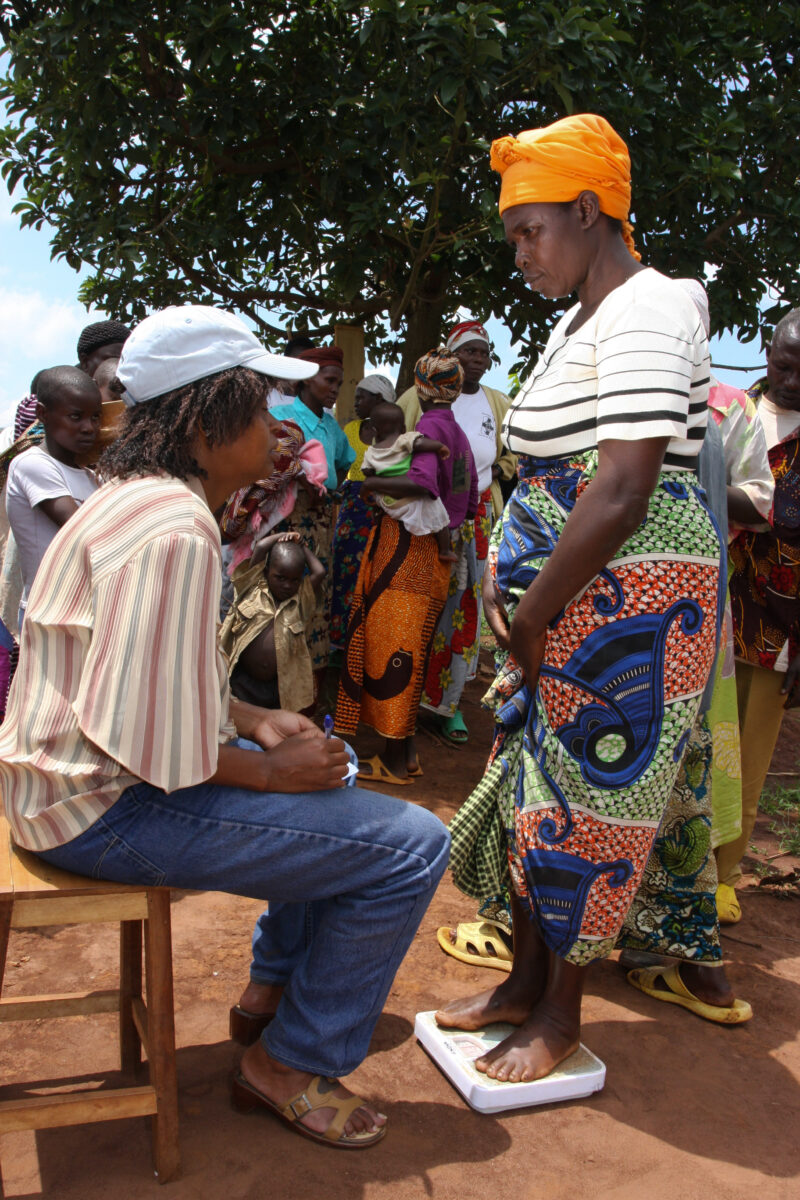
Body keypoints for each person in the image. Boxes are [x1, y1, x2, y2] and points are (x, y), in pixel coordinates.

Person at [0, 305, 449, 1150]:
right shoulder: (177, 531)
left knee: (337, 773)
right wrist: (273, 772)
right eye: (261, 403)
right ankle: (287, 1062)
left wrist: (250, 717)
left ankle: (271, 995)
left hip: (57, 782)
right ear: (205, 419)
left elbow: (139, 680)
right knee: (412, 845)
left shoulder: (123, 499)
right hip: (101, 809)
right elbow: (151, 746)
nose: (279, 424)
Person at [435, 114, 722, 1083]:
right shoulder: (575, 322)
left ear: (592, 212)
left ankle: (560, 1013)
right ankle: (522, 982)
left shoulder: (649, 305)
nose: (519, 254)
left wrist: (528, 613)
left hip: (619, 596)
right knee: (530, 795)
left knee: (585, 805)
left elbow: (620, 487)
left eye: (531, 231)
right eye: (512, 235)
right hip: (566, 593)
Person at [336, 348, 477, 785]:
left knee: (394, 648)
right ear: (454, 387)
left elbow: (421, 484)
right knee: (408, 646)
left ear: (420, 385)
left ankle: (395, 762)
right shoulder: (456, 430)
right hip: (427, 551)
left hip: (407, 550)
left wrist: (373, 483)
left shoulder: (430, 427)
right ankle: (407, 754)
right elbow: (466, 497)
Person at [399, 320, 516, 746]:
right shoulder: (420, 397)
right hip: (425, 517)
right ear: (451, 355)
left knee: (464, 612)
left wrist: (499, 473)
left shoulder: (498, 404)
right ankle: (405, 697)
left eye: (484, 353)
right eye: (469, 352)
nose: (478, 360)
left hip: (477, 518)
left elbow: (512, 453)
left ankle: (448, 706)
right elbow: (398, 444)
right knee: (422, 599)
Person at [719, 308, 800, 918]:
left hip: (779, 623)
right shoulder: (731, 412)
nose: (793, 378)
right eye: (785, 362)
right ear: (768, 349)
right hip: (713, 606)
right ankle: (678, 862)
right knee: (698, 740)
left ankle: (722, 876)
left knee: (749, 755)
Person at [270, 346, 355, 679]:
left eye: (339, 383)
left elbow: (344, 463)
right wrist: (299, 478)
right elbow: (268, 464)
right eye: (329, 380)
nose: (335, 389)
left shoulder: (331, 426)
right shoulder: (282, 417)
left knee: (316, 592)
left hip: (321, 521)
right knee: (285, 588)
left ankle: (309, 679)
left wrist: (326, 489)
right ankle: (275, 672)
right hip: (286, 519)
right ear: (306, 379)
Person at [5, 366, 100, 619]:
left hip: (84, 612)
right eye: (76, 416)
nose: (89, 427)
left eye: (95, 418)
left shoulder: (92, 477)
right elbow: (83, 530)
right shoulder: (32, 464)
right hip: (49, 614)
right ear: (43, 413)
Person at [219, 530, 325, 712]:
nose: (286, 585)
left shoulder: (299, 601)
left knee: (272, 729)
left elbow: (320, 571)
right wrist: (282, 536)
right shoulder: (252, 589)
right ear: (267, 572)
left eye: (294, 580)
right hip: (242, 681)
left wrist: (302, 546)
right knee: (240, 725)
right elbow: (260, 547)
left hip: (278, 687)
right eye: (280, 577)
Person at [329, 374, 396, 648]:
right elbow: (340, 469)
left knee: (372, 575)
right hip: (351, 512)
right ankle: (339, 640)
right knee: (343, 572)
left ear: (378, 400)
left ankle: (366, 642)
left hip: (379, 512)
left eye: (361, 397)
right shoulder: (350, 430)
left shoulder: (394, 434)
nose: (356, 403)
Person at [361, 401, 457, 562]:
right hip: (411, 499)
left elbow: (367, 472)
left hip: (388, 502)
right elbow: (420, 443)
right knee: (440, 516)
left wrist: (365, 492)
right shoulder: (404, 439)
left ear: (375, 431)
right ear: (404, 428)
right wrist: (439, 446)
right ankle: (445, 550)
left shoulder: (370, 452)